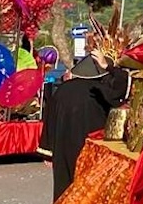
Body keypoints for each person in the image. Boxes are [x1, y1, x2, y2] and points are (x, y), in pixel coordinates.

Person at [46, 53, 131, 200]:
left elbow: (49, 121)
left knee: (64, 188)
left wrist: (47, 152)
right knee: (87, 190)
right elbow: (122, 88)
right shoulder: (99, 91)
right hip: (88, 148)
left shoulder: (62, 90)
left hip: (62, 147)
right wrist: (110, 67)